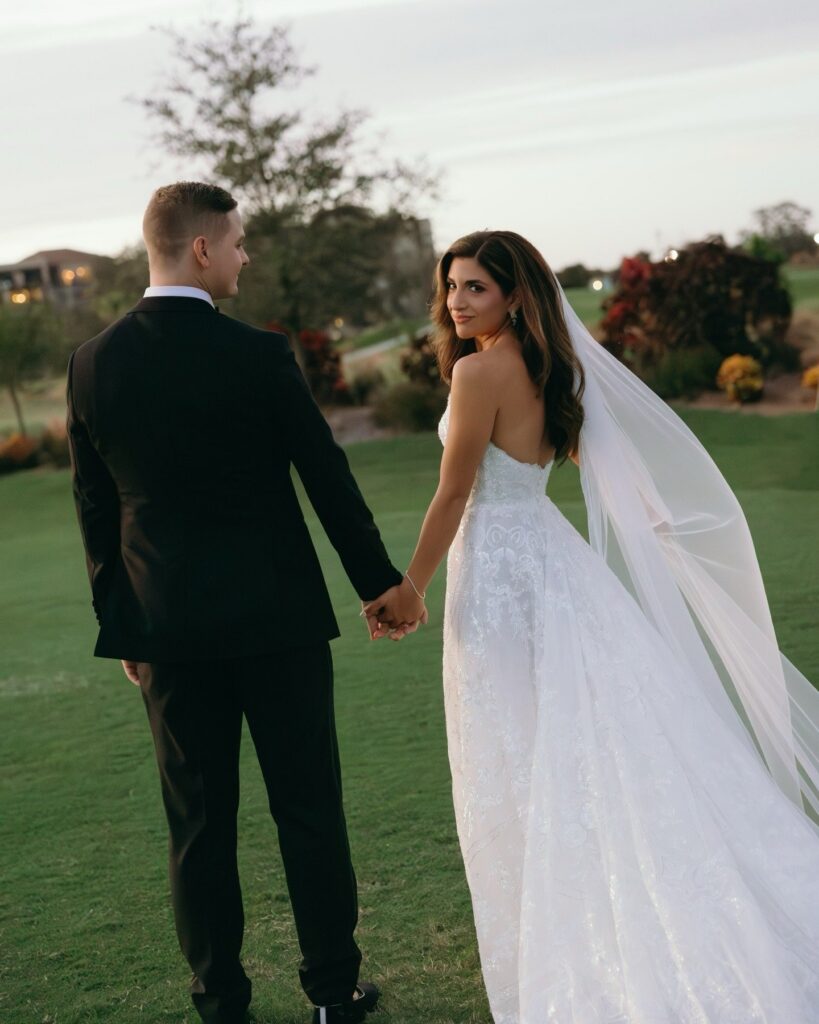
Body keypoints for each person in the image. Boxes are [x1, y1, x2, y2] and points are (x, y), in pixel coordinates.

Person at [365, 230, 819, 1022]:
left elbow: (453, 492)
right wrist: (651, 515)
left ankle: (571, 926)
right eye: (451, 287)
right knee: (578, 740)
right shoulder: (551, 366)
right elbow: (588, 452)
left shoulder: (477, 371)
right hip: (552, 561)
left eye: (474, 287)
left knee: (517, 746)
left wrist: (411, 586)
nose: (455, 302)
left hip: (500, 574)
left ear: (514, 295)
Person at [66, 181, 420, 1024]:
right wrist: (380, 584)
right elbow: (325, 477)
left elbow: (94, 507)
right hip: (276, 622)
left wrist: (121, 624)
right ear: (201, 249)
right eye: (236, 242)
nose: (245, 255)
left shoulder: (92, 363)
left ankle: (220, 1005)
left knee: (196, 825)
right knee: (308, 809)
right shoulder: (258, 354)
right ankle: (333, 994)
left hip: (165, 630)